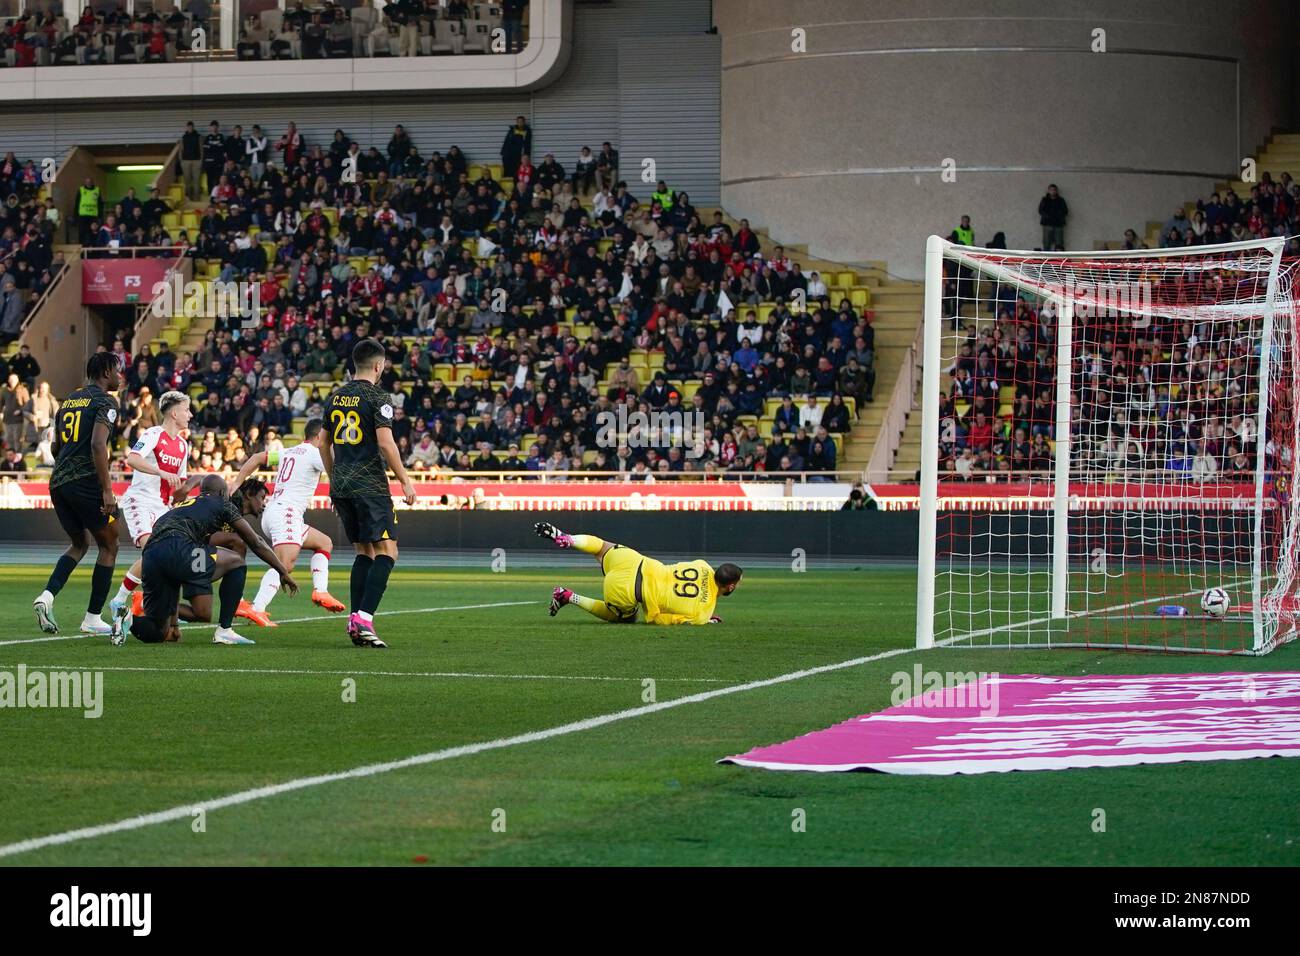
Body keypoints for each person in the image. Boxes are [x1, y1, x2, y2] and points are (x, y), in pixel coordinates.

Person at [321, 338, 417, 647]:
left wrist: (334, 477)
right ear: (379, 366)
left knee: (364, 551)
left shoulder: (335, 397)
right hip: (370, 484)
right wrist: (405, 480)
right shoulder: (378, 397)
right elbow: (387, 443)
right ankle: (364, 619)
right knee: (389, 552)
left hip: (342, 485)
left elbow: (323, 443)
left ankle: (354, 619)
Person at [126, 475, 298, 646]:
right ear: (222, 492)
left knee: (159, 631)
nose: (263, 503)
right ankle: (225, 631)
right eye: (262, 498)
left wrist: (174, 624)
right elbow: (256, 542)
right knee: (237, 563)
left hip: (151, 555)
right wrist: (282, 571)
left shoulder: (186, 506)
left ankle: (127, 618)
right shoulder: (223, 503)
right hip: (183, 551)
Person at [32, 353, 122, 637]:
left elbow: (57, 448)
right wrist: (107, 490)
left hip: (58, 481)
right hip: (85, 482)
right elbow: (98, 444)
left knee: (79, 543)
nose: (121, 376)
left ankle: (47, 597)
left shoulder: (69, 401)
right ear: (107, 371)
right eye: (118, 371)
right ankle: (93, 618)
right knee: (110, 545)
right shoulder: (105, 401)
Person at [108, 391, 204, 638]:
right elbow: (132, 459)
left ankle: (169, 622)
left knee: (169, 558)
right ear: (174, 413)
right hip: (140, 501)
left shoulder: (183, 445)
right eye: (187, 410)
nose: (190, 414)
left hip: (164, 507)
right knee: (153, 551)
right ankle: (119, 601)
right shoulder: (153, 434)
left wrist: (194, 489)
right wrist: (160, 472)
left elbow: (179, 485)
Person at [228, 417, 346, 620]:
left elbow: (256, 457)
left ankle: (321, 590)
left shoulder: (288, 452)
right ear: (320, 436)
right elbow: (337, 468)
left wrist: (236, 482)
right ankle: (256, 608)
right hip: (286, 514)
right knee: (285, 564)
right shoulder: (315, 453)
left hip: (276, 511)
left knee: (324, 543)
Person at [534, 522, 743, 625]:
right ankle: (568, 596)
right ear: (730, 586)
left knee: (602, 547)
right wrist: (705, 620)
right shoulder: (701, 613)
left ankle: (570, 539)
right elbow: (658, 620)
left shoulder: (703, 565)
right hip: (628, 590)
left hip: (635, 561)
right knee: (627, 618)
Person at [500, 115, 532, 180]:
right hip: (509, 153)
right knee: (507, 169)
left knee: (517, 170)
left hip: (519, 154)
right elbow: (506, 141)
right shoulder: (512, 130)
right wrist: (503, 151)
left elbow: (527, 144)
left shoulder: (527, 131)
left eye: (521, 122)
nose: (520, 123)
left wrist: (527, 155)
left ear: (524, 122)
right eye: (518, 122)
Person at [1038, 183, 1068, 251]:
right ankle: (1046, 259)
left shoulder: (1061, 200)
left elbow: (1065, 211)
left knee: (1059, 244)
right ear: (1048, 191)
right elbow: (1040, 211)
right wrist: (1048, 216)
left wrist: (1058, 216)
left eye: (1054, 190)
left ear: (1056, 191)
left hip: (1058, 224)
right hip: (1047, 224)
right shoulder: (1044, 200)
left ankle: (1059, 260)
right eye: (1051, 190)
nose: (1053, 191)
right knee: (1046, 243)